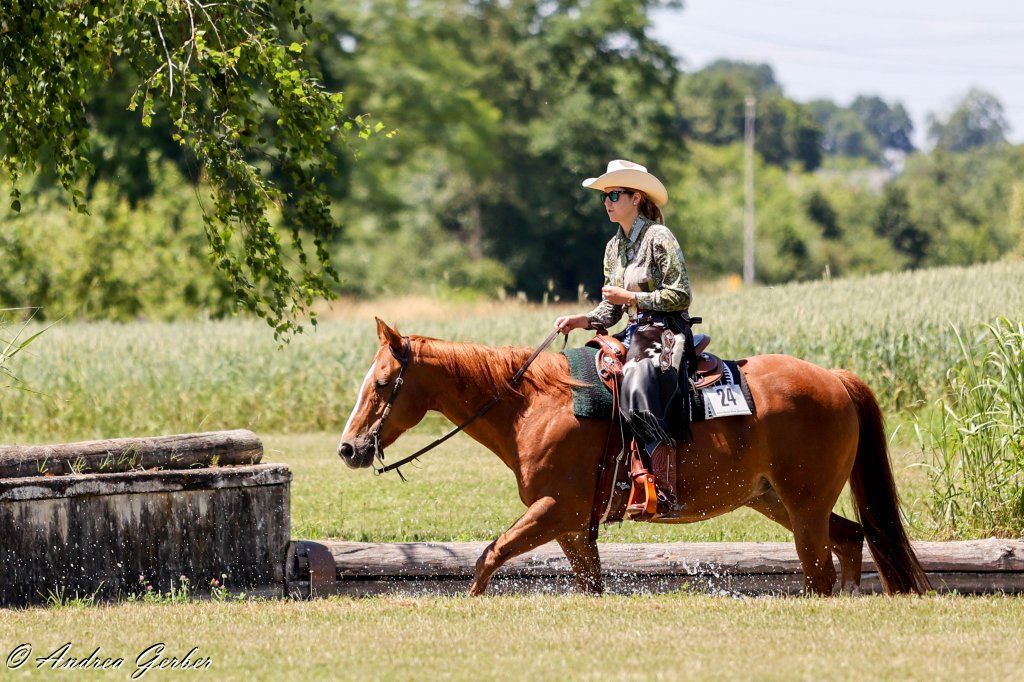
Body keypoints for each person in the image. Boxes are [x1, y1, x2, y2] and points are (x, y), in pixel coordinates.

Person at [554, 159, 693, 519]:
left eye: (614, 194)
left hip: (666, 329)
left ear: (635, 197)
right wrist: (582, 319)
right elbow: (610, 311)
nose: (607, 202)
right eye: (605, 196)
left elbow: (680, 295)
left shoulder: (658, 237)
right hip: (633, 330)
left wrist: (631, 299)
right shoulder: (613, 248)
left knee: (637, 379)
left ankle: (662, 487)